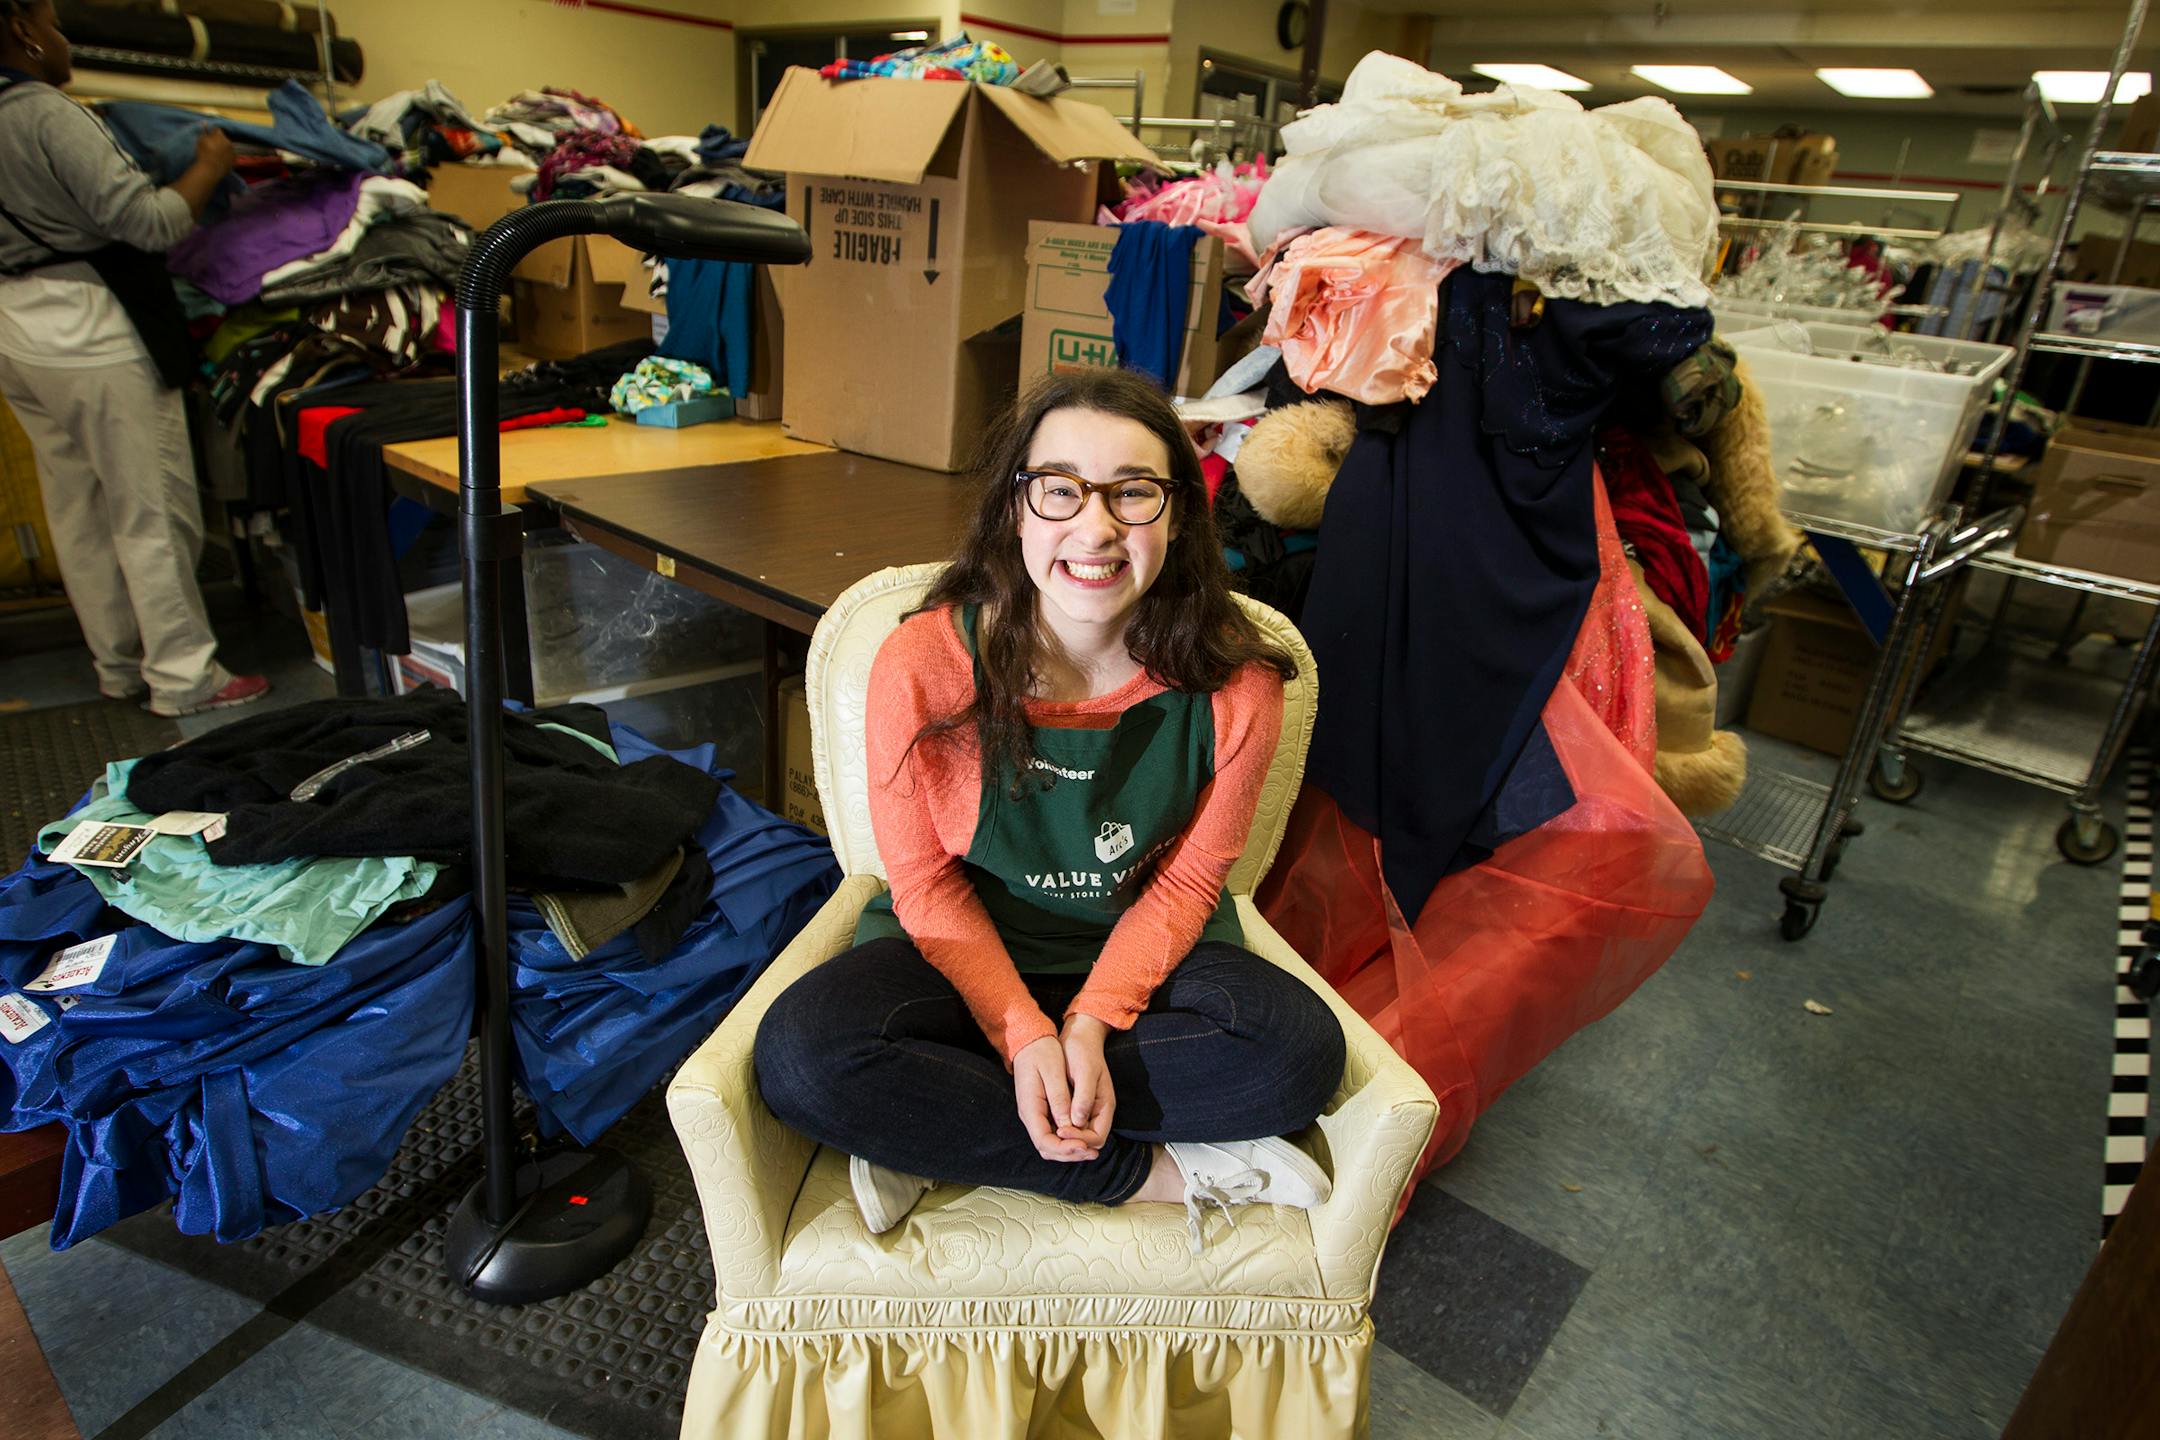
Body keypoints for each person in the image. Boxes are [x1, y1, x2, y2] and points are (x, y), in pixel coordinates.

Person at [755, 369, 1347, 1251]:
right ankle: (1144, 1172)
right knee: (805, 1055)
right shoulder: (922, 662)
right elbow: (920, 883)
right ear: (1014, 510)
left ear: (1177, 514)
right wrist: (1023, 1034)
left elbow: (1188, 885)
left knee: (1299, 1052)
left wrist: (1090, 1020)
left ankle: (947, 1130)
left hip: (1144, 963)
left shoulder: (1239, 680)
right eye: (1060, 490)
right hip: (959, 958)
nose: (1096, 527)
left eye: (1134, 492)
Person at [0, 0, 268, 716]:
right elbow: (146, 223)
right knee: (150, 506)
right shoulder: (45, 112)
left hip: (14, 328)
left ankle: (117, 666)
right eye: (53, 24)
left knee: (77, 504)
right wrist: (209, 167)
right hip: (91, 324)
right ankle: (186, 679)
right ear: (23, 30)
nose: (61, 41)